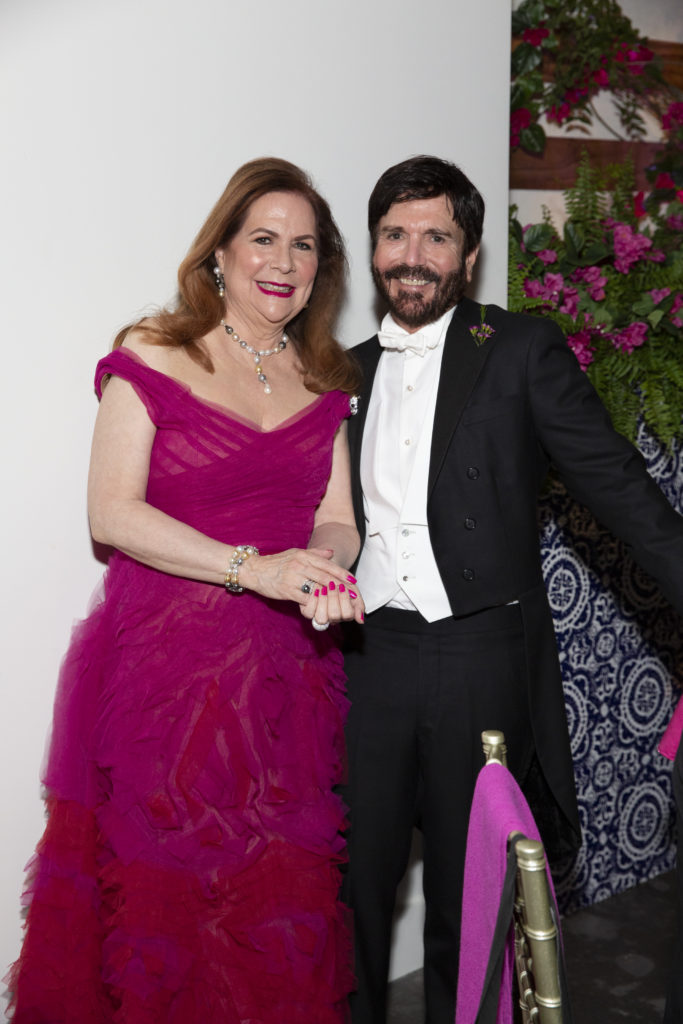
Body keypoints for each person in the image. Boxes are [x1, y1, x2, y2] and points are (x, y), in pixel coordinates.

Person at [7, 157, 365, 1023]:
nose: (282, 261)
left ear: (323, 269)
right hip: (164, 683)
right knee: (166, 912)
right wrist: (257, 568)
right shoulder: (155, 351)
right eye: (263, 239)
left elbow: (339, 519)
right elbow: (112, 515)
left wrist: (319, 564)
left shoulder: (323, 380)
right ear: (220, 253)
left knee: (268, 911)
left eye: (304, 246)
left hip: (285, 683)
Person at [341, 154, 683, 1024]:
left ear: (468, 252)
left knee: (467, 895)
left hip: (477, 656)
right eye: (394, 234)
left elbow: (615, 484)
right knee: (353, 887)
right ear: (373, 244)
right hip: (367, 657)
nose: (411, 255)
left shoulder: (518, 348)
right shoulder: (341, 371)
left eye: (435, 236)